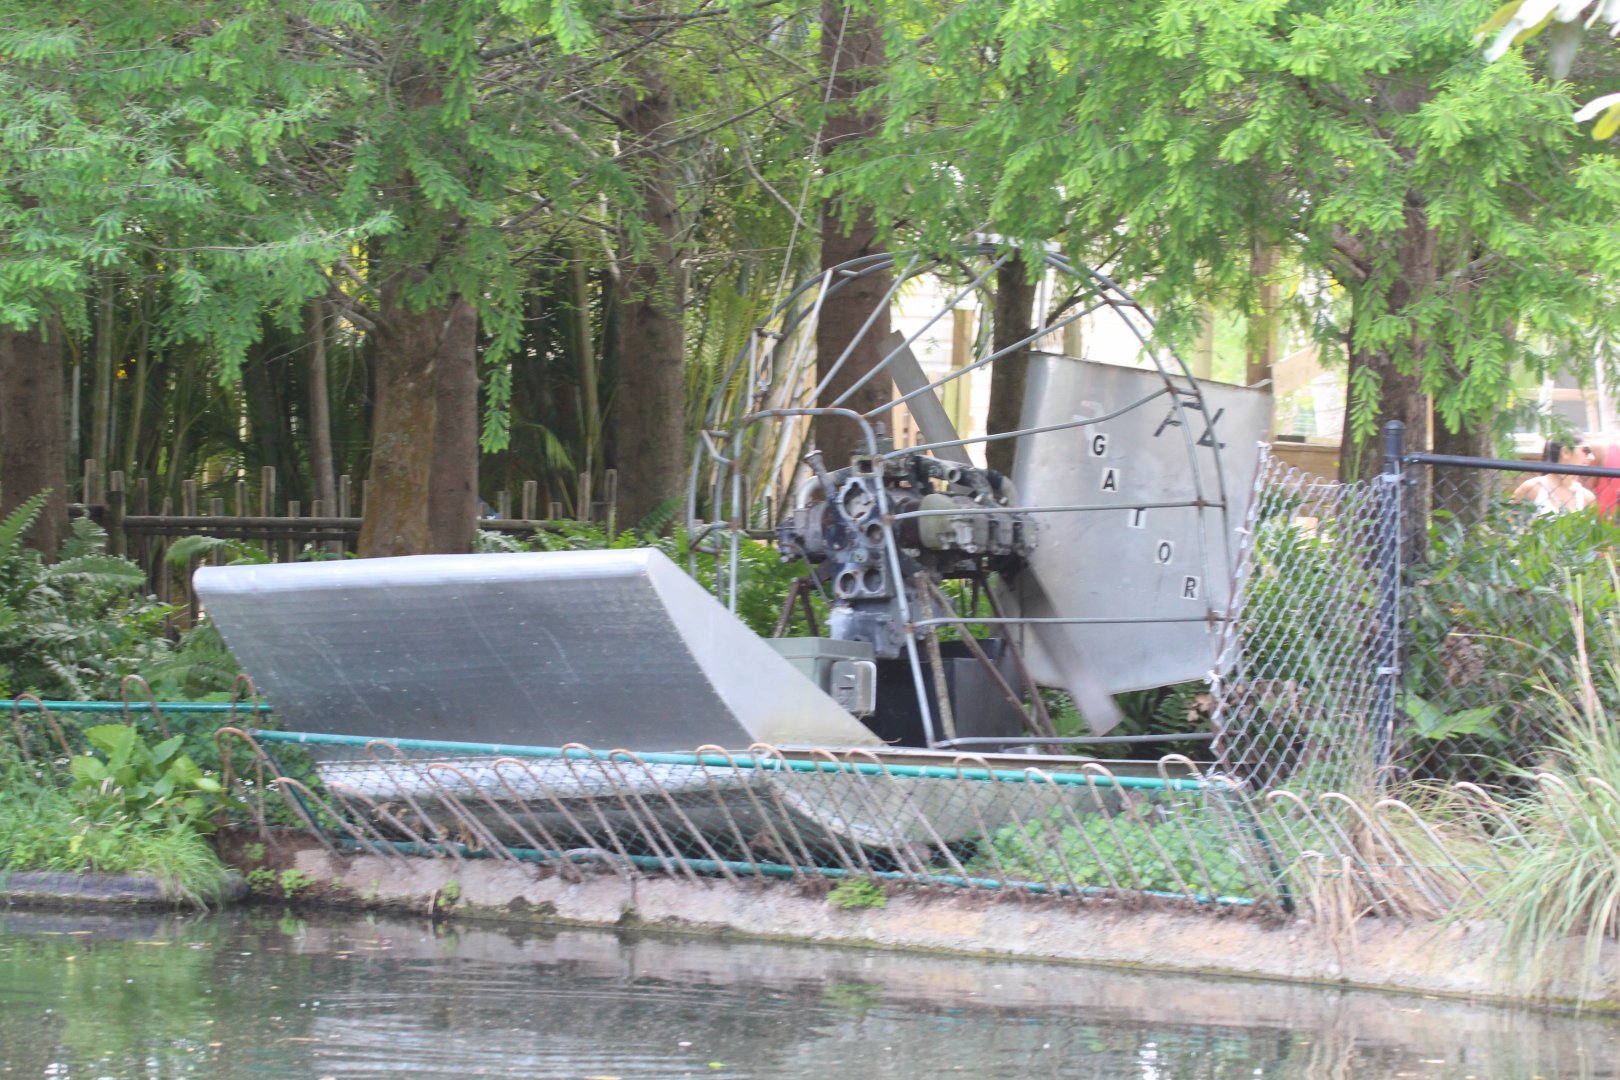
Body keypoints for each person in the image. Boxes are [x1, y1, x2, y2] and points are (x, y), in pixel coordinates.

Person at [1512, 440, 1596, 515]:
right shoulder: (1532, 488)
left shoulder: (1587, 497)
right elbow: (1512, 525)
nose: (1592, 457)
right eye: (1586, 451)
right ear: (1565, 452)